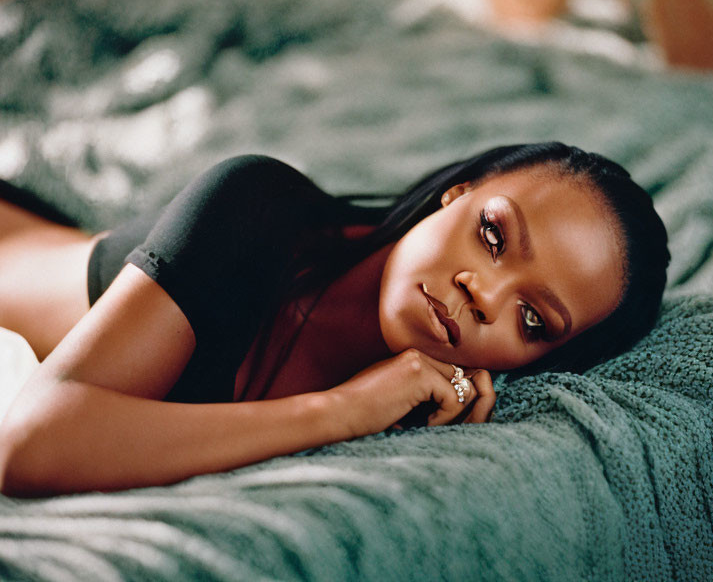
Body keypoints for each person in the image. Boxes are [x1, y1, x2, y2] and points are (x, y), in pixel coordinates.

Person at [0, 143, 669, 497]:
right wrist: (344, 409)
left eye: (532, 320)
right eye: (492, 236)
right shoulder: (254, 204)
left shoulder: (445, 409)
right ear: (458, 194)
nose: (482, 295)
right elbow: (30, 443)